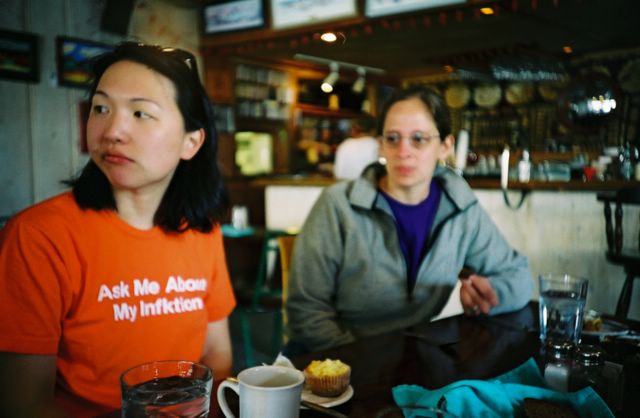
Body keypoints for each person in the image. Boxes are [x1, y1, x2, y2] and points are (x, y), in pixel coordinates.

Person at [0, 42, 236, 417]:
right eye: (101, 108)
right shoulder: (38, 236)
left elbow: (217, 354)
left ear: (191, 141)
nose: (113, 130)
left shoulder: (202, 230)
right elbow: (23, 403)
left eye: (141, 113)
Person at [286, 86, 533, 351]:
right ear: (380, 144)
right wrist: (356, 366)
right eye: (392, 138)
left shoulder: (460, 208)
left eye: (419, 138)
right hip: (338, 361)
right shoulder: (338, 206)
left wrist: (490, 294)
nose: (403, 151)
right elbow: (307, 314)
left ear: (445, 146)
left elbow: (519, 278)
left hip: (414, 354)